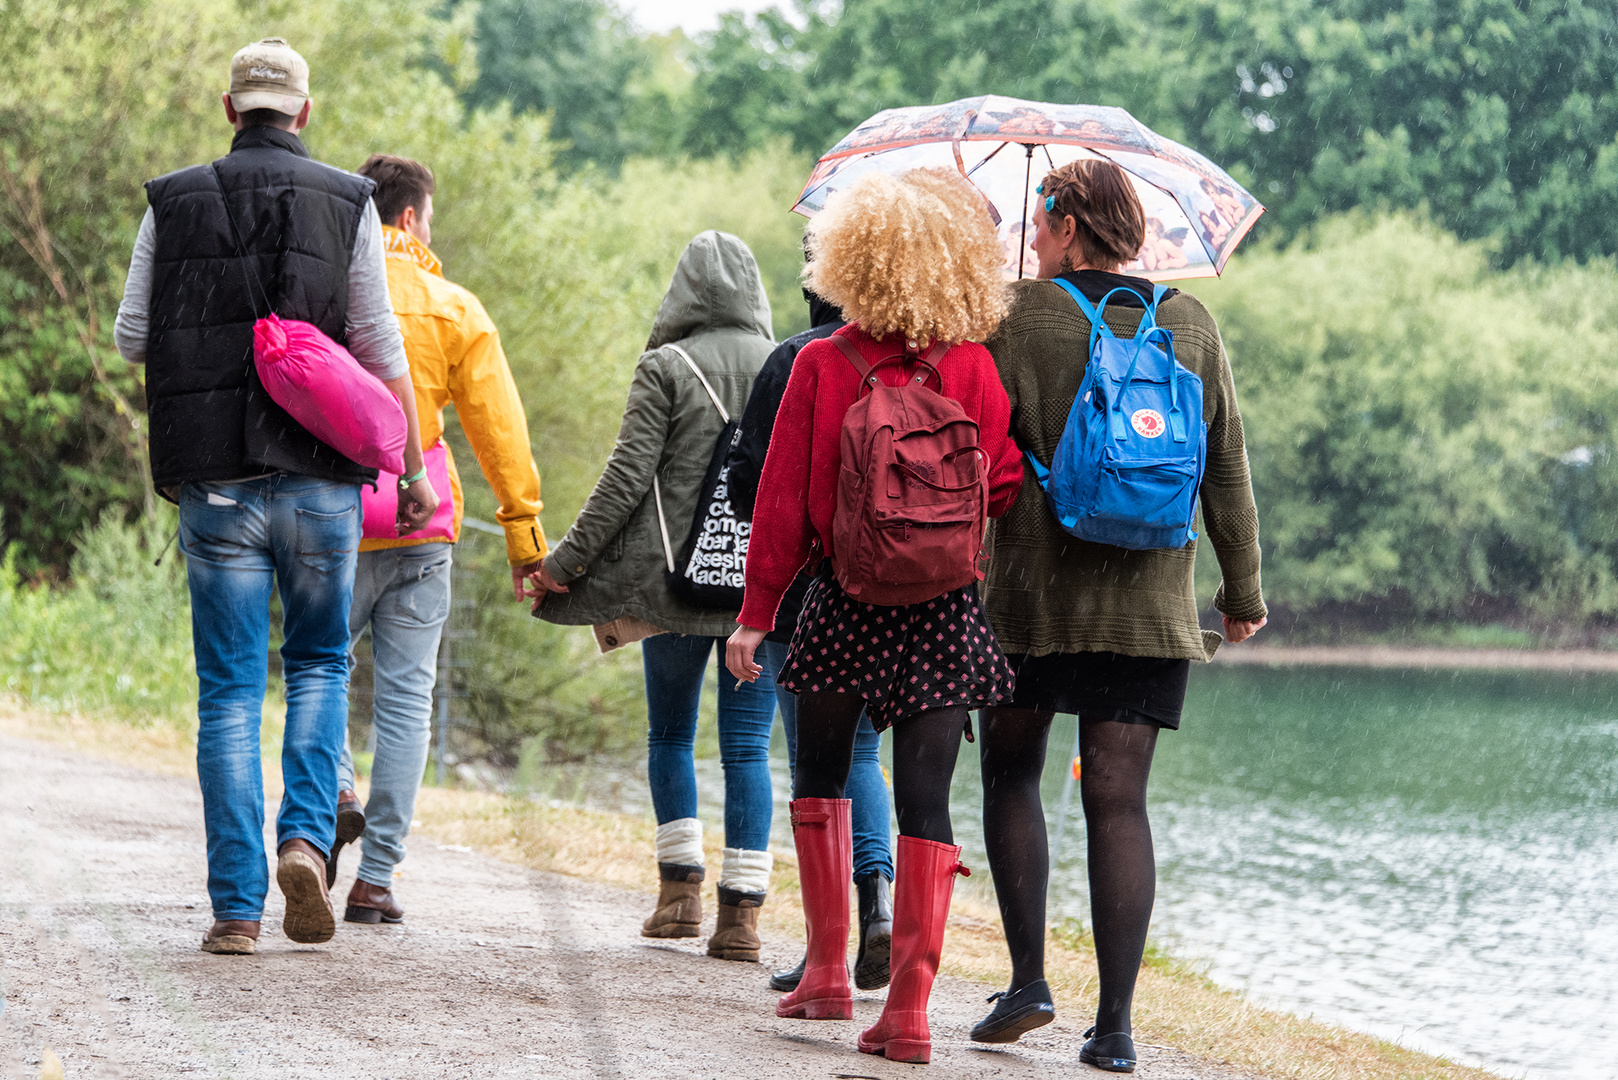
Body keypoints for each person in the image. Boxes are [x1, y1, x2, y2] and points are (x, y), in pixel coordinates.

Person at [112, 38, 437, 955]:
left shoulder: (171, 202)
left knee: (226, 693)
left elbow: (134, 335)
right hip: (321, 484)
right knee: (321, 664)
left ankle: (234, 909)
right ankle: (303, 838)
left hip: (213, 483)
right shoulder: (352, 201)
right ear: (303, 112)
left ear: (229, 110)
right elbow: (380, 344)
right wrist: (409, 471)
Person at [970, 158, 1267, 1071]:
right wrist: (1242, 595)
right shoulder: (1190, 322)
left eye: (1037, 217)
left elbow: (976, 452)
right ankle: (1117, 1029)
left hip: (1030, 604)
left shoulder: (1015, 318)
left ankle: (1027, 983)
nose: (1030, 233)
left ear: (1063, 223)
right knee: (1118, 803)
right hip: (1148, 609)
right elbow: (1226, 470)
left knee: (1012, 777)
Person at [726, 168, 1023, 1064]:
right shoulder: (970, 363)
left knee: (821, 773)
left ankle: (823, 974)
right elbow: (1002, 480)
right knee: (925, 794)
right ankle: (908, 1015)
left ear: (852, 253)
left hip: (840, 599)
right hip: (943, 609)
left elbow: (780, 502)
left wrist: (754, 616)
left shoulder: (821, 363)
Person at [530, 231, 779, 963]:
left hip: (675, 586)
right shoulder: (788, 364)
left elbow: (625, 480)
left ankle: (678, 897)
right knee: (748, 750)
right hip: (756, 596)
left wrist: (563, 564)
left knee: (669, 737)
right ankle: (742, 919)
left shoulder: (666, 366)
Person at [324, 154, 548, 925]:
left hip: (337, 517)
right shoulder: (454, 307)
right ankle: (377, 878)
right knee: (406, 703)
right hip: (425, 522)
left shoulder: (326, 289)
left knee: (318, 674)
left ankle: (335, 793)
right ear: (413, 217)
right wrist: (525, 539)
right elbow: (499, 430)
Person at [722, 272, 895, 994]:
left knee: (817, 765)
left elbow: (752, 488)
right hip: (899, 588)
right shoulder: (929, 356)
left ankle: (826, 950)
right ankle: (879, 900)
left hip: (806, 594)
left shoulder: (799, 357)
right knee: (865, 753)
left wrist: (755, 611)